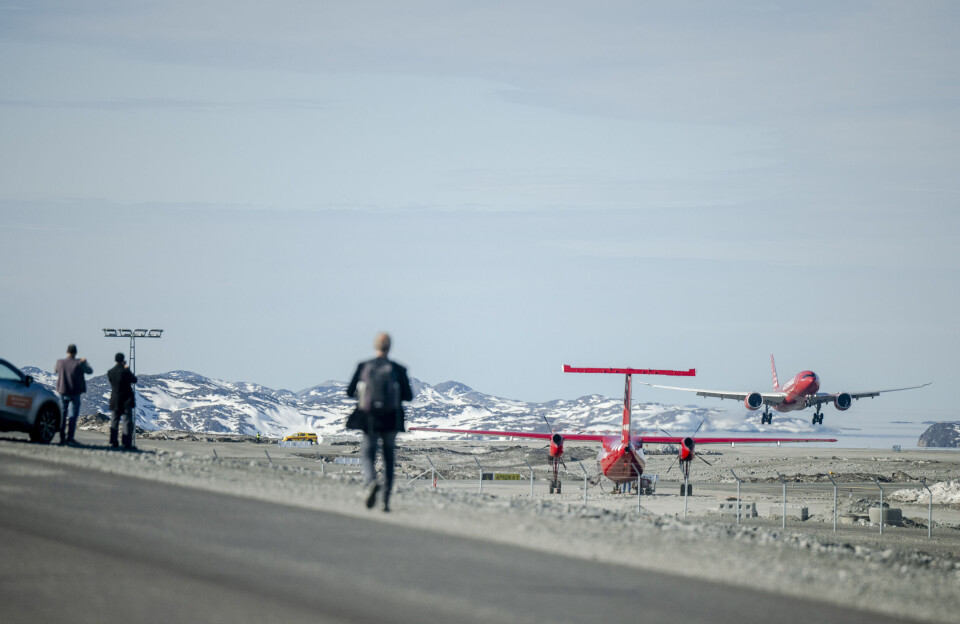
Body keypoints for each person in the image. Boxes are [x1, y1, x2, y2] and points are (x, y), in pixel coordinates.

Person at [346, 332, 413, 512]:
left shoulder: (364, 366)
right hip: (391, 418)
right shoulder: (398, 369)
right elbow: (409, 396)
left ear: (375, 346)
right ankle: (386, 499)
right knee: (388, 456)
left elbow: (349, 391)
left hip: (370, 418)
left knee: (368, 451)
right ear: (390, 347)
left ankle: (371, 482)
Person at [55, 344, 93, 445]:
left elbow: (56, 370)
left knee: (63, 415)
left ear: (67, 352)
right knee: (73, 416)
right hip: (75, 393)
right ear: (75, 353)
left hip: (63, 391)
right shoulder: (79, 363)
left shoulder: (60, 362)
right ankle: (70, 438)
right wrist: (85, 362)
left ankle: (62, 438)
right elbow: (89, 371)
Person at [107, 352, 138, 450]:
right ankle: (126, 443)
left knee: (114, 421)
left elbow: (112, 382)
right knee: (127, 421)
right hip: (126, 400)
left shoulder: (110, 372)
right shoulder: (125, 371)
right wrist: (128, 369)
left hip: (115, 399)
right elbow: (134, 380)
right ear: (123, 360)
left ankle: (113, 441)